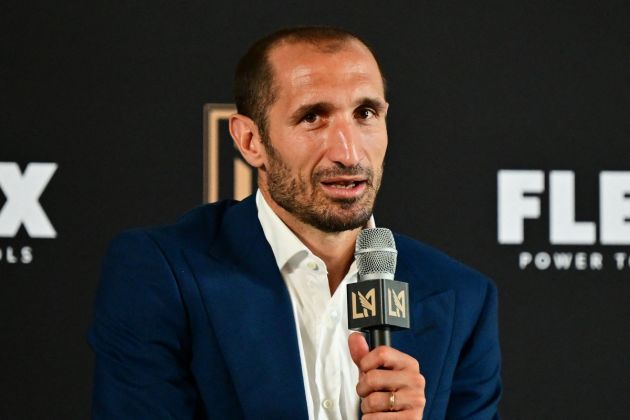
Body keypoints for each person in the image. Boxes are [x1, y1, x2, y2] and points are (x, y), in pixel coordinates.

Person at [88, 26, 501, 419]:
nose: (348, 151)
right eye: (313, 117)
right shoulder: (163, 274)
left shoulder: (461, 297)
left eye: (365, 113)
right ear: (251, 141)